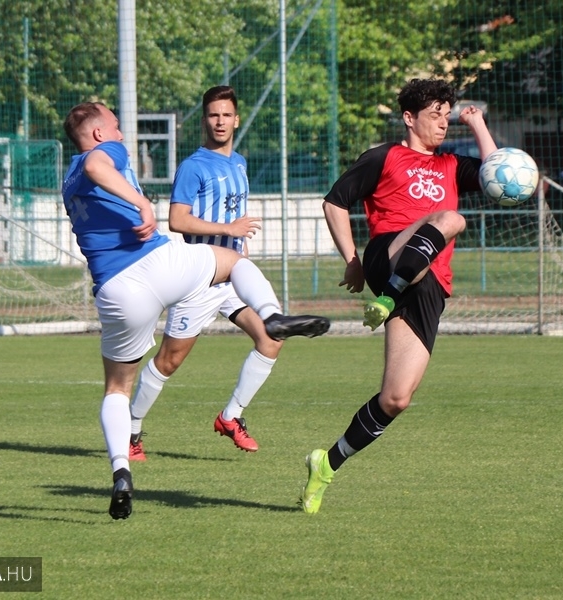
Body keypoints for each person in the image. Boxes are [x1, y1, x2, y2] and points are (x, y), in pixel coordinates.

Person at [61, 101, 330, 520]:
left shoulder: (68, 179)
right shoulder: (105, 153)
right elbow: (99, 164)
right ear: (97, 134)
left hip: (116, 290)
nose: (120, 133)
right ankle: (271, 313)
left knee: (116, 388)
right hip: (159, 264)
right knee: (234, 262)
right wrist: (142, 203)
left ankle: (121, 473)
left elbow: (90, 173)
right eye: (114, 126)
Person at [299, 78, 497, 514]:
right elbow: (334, 202)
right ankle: (387, 297)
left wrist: (477, 124)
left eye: (447, 116)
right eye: (435, 115)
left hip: (428, 286)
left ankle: (326, 464)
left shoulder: (451, 164)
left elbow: (497, 176)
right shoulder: (384, 156)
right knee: (451, 219)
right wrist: (352, 259)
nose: (443, 123)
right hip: (387, 257)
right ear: (409, 118)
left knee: (396, 398)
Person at [126, 86, 279, 459]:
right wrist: (229, 230)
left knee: (271, 338)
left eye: (226, 115)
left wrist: (238, 246)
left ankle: (231, 417)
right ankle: (130, 430)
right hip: (199, 277)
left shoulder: (239, 162)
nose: (220, 121)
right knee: (169, 361)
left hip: (233, 275)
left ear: (236, 119)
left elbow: (232, 216)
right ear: (204, 121)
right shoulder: (194, 166)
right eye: (213, 115)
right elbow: (177, 220)